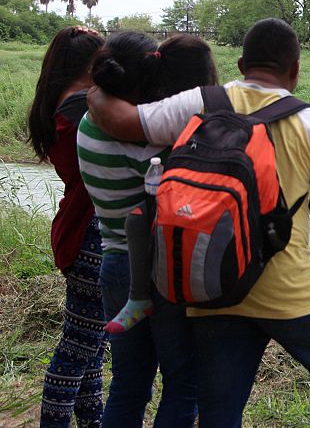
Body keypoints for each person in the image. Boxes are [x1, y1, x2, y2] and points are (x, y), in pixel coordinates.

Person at [88, 18, 310, 428]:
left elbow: (121, 121)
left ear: (240, 64)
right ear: (295, 70)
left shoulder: (198, 102)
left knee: (219, 408)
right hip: (288, 289)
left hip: (213, 284)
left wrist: (95, 86)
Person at [77, 32, 218, 427]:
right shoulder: (150, 140)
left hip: (114, 263)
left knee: (127, 385)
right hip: (160, 269)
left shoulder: (89, 123)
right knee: (182, 384)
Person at [27, 26, 105, 428]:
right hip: (92, 235)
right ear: (90, 65)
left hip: (80, 229)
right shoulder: (82, 109)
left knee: (90, 345)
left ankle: (93, 422)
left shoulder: (63, 104)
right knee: (78, 348)